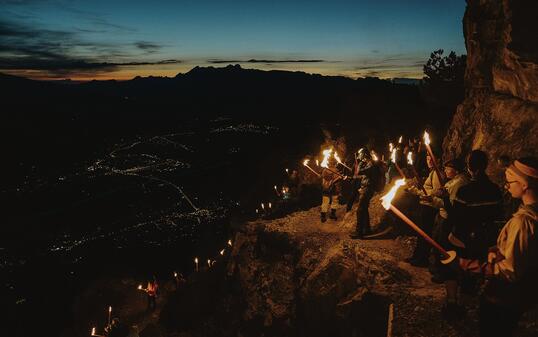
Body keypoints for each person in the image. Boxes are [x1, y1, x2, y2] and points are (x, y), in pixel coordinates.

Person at [445, 157, 538, 336]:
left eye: (510, 181)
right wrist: (496, 250)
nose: (506, 186)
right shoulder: (532, 213)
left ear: (524, 185)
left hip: (505, 299)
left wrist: (464, 264)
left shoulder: (523, 222)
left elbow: (510, 271)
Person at [406, 153, 443, 266]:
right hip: (425, 206)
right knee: (421, 233)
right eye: (427, 159)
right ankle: (417, 256)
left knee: (424, 233)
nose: (429, 161)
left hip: (430, 208)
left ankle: (422, 259)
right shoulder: (432, 173)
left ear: (437, 159)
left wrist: (418, 192)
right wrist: (416, 191)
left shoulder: (437, 174)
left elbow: (437, 192)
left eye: (432, 159)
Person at [349, 148, 378, 239]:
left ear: (364, 154)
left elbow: (359, 172)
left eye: (359, 154)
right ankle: (367, 229)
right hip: (365, 188)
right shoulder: (368, 164)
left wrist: (360, 164)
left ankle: (359, 232)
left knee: (360, 210)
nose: (358, 156)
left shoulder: (371, 164)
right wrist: (350, 178)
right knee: (364, 209)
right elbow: (361, 176)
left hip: (368, 189)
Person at [321, 157, 343, 222]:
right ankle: (327, 215)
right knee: (332, 201)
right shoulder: (333, 170)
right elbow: (332, 180)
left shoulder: (326, 170)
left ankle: (325, 216)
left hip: (328, 188)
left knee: (328, 201)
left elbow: (323, 178)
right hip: (330, 188)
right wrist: (339, 177)